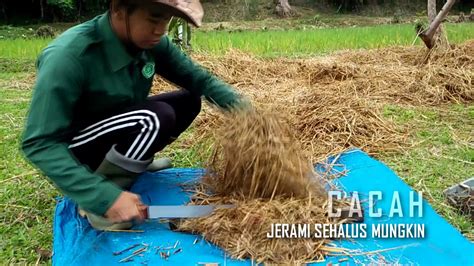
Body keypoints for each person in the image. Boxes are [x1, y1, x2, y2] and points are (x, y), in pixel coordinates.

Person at [21, 0, 247, 230]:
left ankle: (131, 163)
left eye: (166, 20)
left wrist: (250, 116)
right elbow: (39, 143)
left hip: (110, 126)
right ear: (119, 8)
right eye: (153, 18)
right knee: (152, 118)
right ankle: (101, 202)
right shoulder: (68, 57)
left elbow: (199, 80)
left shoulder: (149, 43)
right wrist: (103, 197)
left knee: (188, 101)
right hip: (75, 148)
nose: (161, 29)